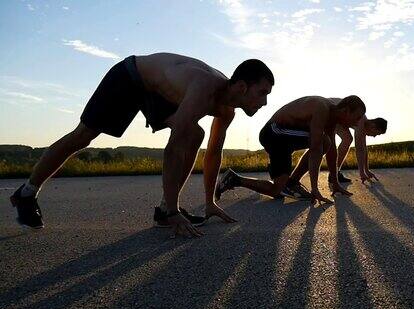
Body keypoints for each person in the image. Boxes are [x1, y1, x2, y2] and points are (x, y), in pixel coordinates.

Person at [10, 53, 274, 237]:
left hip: (160, 91)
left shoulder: (227, 110)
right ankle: (26, 192)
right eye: (262, 93)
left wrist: (209, 202)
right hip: (131, 76)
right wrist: (175, 211)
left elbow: (214, 152)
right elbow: (174, 148)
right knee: (83, 136)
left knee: (195, 134)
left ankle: (162, 209)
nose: (264, 103)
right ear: (241, 86)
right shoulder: (204, 89)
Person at [216, 95, 366, 204]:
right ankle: (292, 182)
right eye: (357, 117)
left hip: (284, 137)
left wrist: (335, 181)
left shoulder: (332, 118)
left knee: (277, 190)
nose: (358, 122)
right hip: (274, 132)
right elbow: (315, 148)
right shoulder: (322, 108)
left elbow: (332, 151)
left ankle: (234, 179)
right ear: (346, 111)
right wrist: (315, 189)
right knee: (321, 141)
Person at [333, 105, 387, 183]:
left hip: (338, 117)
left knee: (347, 139)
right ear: (373, 126)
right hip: (330, 111)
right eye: (377, 134)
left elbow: (363, 148)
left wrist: (367, 170)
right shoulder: (361, 120)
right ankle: (334, 173)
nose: (374, 136)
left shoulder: (364, 125)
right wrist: (362, 173)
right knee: (347, 139)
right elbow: (359, 149)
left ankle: (334, 172)